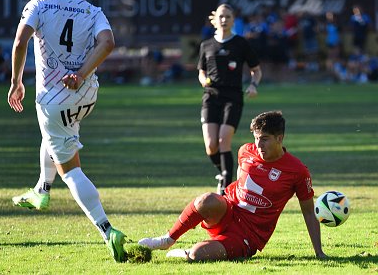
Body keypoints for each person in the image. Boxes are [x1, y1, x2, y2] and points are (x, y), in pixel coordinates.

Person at [7, 0, 127, 262]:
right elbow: (108, 42)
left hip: (53, 99)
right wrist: (82, 73)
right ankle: (41, 189)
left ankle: (107, 230)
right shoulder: (92, 10)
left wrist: (16, 81)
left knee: (71, 170)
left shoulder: (39, 4)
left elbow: (21, 41)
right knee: (53, 136)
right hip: (86, 95)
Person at [138, 111, 327, 262]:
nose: (259, 144)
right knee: (207, 200)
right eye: (256, 138)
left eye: (265, 138)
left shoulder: (297, 171)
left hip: (250, 234)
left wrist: (319, 252)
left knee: (197, 255)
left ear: (280, 138)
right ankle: (167, 240)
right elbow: (239, 183)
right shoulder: (245, 151)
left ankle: (187, 252)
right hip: (229, 212)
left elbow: (309, 213)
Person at [197, 4, 262, 195]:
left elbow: (256, 70)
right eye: (221, 16)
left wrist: (253, 85)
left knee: (224, 140)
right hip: (211, 96)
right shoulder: (206, 45)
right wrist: (204, 81)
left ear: (233, 20)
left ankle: (226, 189)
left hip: (233, 97)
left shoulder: (241, 43)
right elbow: (201, 71)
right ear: (215, 19)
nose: (224, 20)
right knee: (211, 145)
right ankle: (223, 173)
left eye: (228, 17)